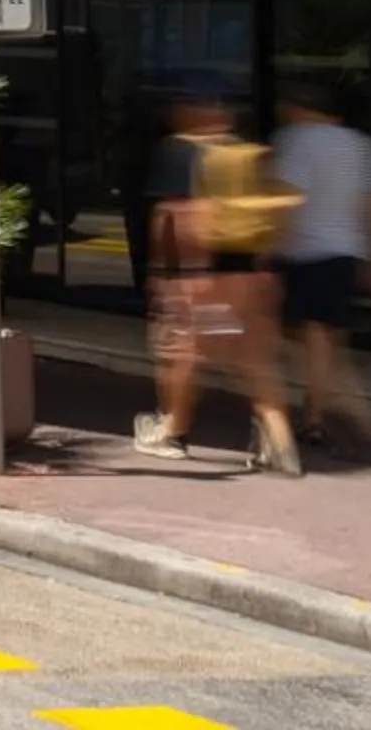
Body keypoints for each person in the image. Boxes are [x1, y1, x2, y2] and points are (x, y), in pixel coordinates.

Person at [133, 89, 301, 476]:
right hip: (251, 274)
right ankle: (280, 440)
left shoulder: (177, 152)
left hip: (200, 275)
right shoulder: (245, 153)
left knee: (182, 354)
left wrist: (167, 275)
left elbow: (172, 216)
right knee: (257, 362)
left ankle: (172, 432)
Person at [274, 82, 371, 455]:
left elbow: (284, 198)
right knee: (323, 337)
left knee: (303, 335)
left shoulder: (296, 140)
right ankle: (326, 410)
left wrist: (266, 246)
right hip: (344, 253)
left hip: (303, 252)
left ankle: (320, 415)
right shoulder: (362, 146)